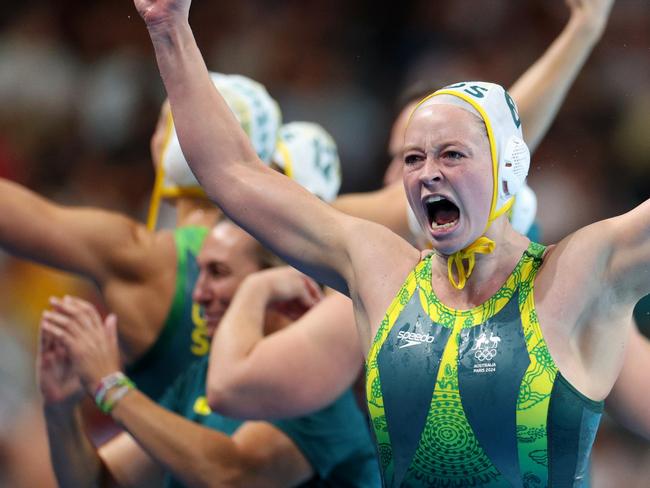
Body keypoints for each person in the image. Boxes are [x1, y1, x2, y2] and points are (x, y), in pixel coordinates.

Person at [135, 0, 649, 485]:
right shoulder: (381, 272)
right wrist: (168, 29)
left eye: (451, 155)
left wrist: (585, 28)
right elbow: (232, 172)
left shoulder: (578, 273)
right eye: (412, 159)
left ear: (510, 167)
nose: (428, 174)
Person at [0, 72, 281, 401]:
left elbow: (17, 217)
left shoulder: (139, 256)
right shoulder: (292, 262)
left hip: (161, 451)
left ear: (169, 145)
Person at [39, 219, 380, 488]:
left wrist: (110, 387)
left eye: (217, 272)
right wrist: (60, 411)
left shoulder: (317, 382)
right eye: (199, 273)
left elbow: (232, 475)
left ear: (281, 277)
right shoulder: (199, 378)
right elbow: (99, 482)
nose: (198, 294)